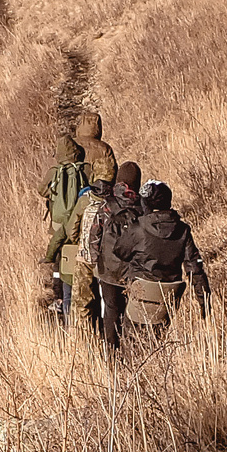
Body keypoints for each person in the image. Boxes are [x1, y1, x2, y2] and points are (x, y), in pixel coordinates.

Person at [112, 181, 212, 340]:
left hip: (140, 296)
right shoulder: (183, 230)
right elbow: (195, 269)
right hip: (168, 300)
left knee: (131, 344)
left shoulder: (138, 228)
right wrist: (204, 303)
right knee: (158, 343)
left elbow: (120, 251)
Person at [69, 136, 121, 337]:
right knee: (108, 305)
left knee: (82, 303)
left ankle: (85, 340)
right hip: (108, 262)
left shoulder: (85, 199)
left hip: (84, 259)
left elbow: (72, 229)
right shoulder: (117, 202)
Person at [89, 161, 143, 349]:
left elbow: (95, 234)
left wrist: (96, 260)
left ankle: (111, 353)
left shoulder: (107, 205)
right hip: (132, 271)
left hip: (108, 269)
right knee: (131, 311)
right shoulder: (142, 206)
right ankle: (131, 351)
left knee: (111, 310)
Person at [40, 131, 88, 325]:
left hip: (58, 224)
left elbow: (41, 189)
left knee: (59, 262)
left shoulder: (55, 171)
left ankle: (59, 295)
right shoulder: (85, 169)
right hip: (79, 221)